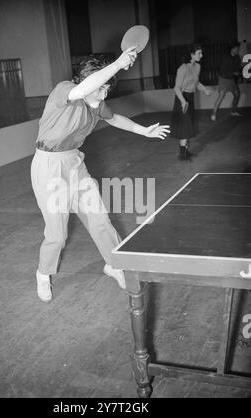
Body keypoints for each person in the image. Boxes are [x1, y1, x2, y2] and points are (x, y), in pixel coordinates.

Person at [31, 47, 170, 302]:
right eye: (101, 86)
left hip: (74, 162)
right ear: (87, 81)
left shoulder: (97, 106)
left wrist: (143, 131)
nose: (104, 92)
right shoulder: (65, 90)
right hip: (48, 166)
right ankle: (43, 273)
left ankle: (114, 265)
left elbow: (115, 118)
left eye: (107, 88)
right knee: (57, 234)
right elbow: (83, 90)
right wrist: (117, 63)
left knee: (99, 219)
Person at [171, 44, 211, 161]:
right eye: (199, 53)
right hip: (181, 98)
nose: (201, 55)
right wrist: (183, 102)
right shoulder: (182, 69)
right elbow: (176, 88)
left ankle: (185, 152)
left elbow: (196, 83)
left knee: (188, 127)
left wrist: (205, 90)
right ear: (192, 54)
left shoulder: (197, 67)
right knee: (185, 128)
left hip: (191, 98)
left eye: (201, 53)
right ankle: (182, 155)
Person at [211, 41, 242, 122]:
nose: (238, 49)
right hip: (223, 79)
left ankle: (234, 111)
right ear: (232, 49)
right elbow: (224, 70)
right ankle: (213, 114)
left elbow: (237, 69)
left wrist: (237, 74)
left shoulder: (237, 58)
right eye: (237, 48)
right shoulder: (226, 57)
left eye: (238, 48)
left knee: (237, 94)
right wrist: (234, 72)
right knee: (221, 95)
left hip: (231, 79)